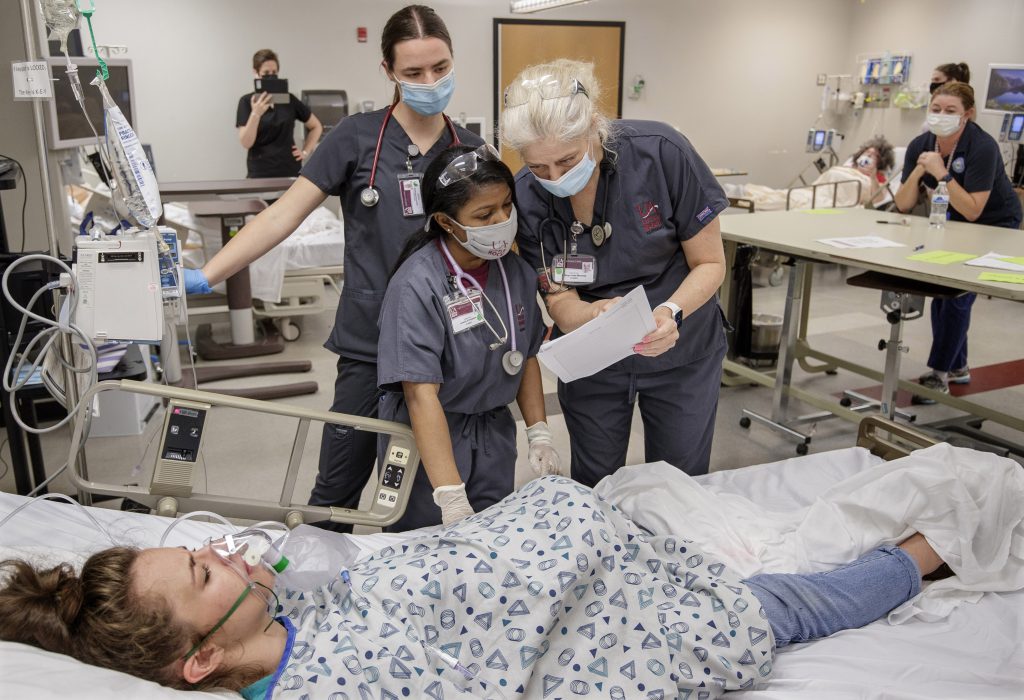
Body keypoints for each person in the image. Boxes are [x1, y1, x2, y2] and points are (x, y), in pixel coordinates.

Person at [0, 476, 951, 698]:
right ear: (201, 656)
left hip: (556, 558)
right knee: (776, 608)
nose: (239, 559)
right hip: (602, 634)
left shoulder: (283, 615)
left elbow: (413, 577)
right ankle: (924, 555)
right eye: (212, 574)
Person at [186, 6, 484, 531]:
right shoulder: (354, 138)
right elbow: (281, 215)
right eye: (413, 73)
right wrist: (206, 275)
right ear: (387, 71)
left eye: (440, 68)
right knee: (337, 487)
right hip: (369, 342)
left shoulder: (471, 150)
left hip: (446, 346)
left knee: (428, 490)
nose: (430, 82)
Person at [500, 59, 729, 487]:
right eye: (538, 168)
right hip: (594, 357)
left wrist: (670, 312)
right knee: (596, 483)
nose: (555, 178)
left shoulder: (661, 152)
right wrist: (593, 316)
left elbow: (710, 262)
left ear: (594, 127)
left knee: (680, 482)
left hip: (682, 347)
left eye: (568, 161)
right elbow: (559, 298)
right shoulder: (526, 197)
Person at [376, 144, 558, 531]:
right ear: (445, 222)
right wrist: (449, 492)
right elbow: (419, 394)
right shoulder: (417, 284)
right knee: (424, 546)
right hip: (429, 432)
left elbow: (524, 356)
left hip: (493, 430)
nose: (502, 219)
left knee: (491, 539)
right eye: (484, 214)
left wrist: (539, 432)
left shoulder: (516, 272)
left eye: (507, 206)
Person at [894, 82, 1022, 402]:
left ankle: (938, 374)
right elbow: (903, 204)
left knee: (955, 295)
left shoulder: (982, 147)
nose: (941, 116)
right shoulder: (920, 144)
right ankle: (958, 366)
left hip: (995, 224)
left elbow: (974, 210)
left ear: (968, 115)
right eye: (936, 109)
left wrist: (941, 174)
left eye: (950, 111)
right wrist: (918, 170)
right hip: (953, 224)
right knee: (944, 289)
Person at [724, 136, 897, 210]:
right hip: (816, 192)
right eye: (867, 152)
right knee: (787, 194)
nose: (868, 156)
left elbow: (877, 200)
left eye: (874, 155)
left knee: (791, 200)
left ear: (881, 161)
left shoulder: (877, 179)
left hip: (831, 201)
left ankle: (749, 197)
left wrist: (872, 175)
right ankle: (745, 192)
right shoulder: (846, 168)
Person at [237, 49, 323, 178]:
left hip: (289, 169)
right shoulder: (246, 101)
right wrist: (256, 113)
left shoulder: (289, 100)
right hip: (260, 173)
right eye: (266, 73)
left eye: (274, 72)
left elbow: (316, 126)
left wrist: (305, 152)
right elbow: (246, 143)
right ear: (256, 73)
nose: (271, 76)